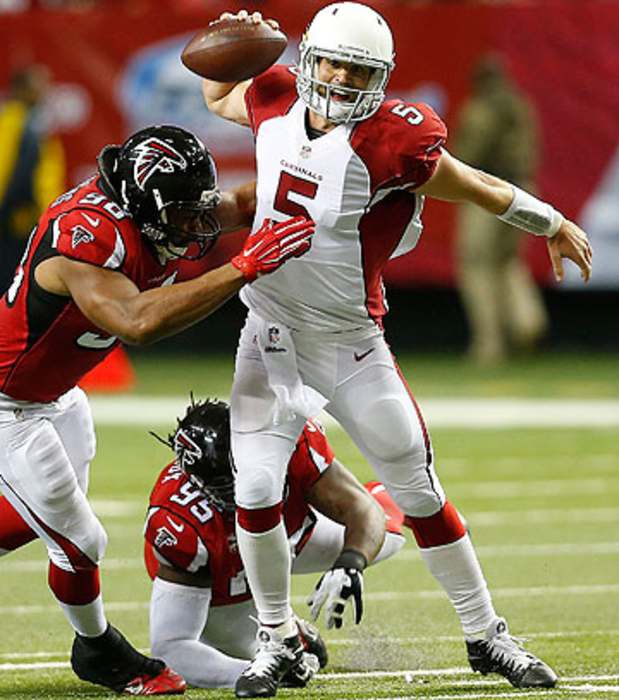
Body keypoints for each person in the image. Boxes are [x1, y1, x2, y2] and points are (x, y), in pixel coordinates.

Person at [200, 4, 592, 697]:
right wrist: (227, 40)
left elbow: (480, 187)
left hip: (349, 343)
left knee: (418, 490)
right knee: (256, 489)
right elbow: (218, 89)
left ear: (380, 78)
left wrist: (551, 220)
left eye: (359, 70)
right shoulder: (274, 95)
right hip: (269, 334)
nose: (343, 79)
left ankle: (486, 634)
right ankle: (277, 638)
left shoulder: (390, 141)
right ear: (309, 58)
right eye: (333, 63)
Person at [0, 124, 315, 694]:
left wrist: (333, 192)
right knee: (79, 542)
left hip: (57, 394)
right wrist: (243, 267)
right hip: (8, 405)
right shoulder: (88, 235)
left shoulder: (158, 207)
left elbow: (242, 203)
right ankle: (100, 650)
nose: (197, 227)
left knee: (36, 525)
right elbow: (136, 321)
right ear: (144, 209)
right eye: (183, 216)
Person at [142, 397, 405, 689]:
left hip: (291, 535)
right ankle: (294, 631)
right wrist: (254, 671)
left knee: (387, 535)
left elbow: (362, 511)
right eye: (227, 482)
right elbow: (171, 648)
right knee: (255, 655)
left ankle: (402, 499)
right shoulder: (180, 522)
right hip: (226, 578)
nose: (242, 486)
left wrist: (351, 562)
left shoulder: (289, 442)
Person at [454, 55, 548, 365]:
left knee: (476, 266)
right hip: (524, 191)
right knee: (508, 262)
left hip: (488, 195)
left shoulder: (480, 110)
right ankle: (527, 320)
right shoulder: (522, 107)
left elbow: (467, 156)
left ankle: (489, 344)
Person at [0, 65, 65, 294]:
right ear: (22, 89)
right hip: (11, 222)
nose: (45, 91)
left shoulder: (32, 122)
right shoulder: (14, 121)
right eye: (39, 86)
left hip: (23, 221)